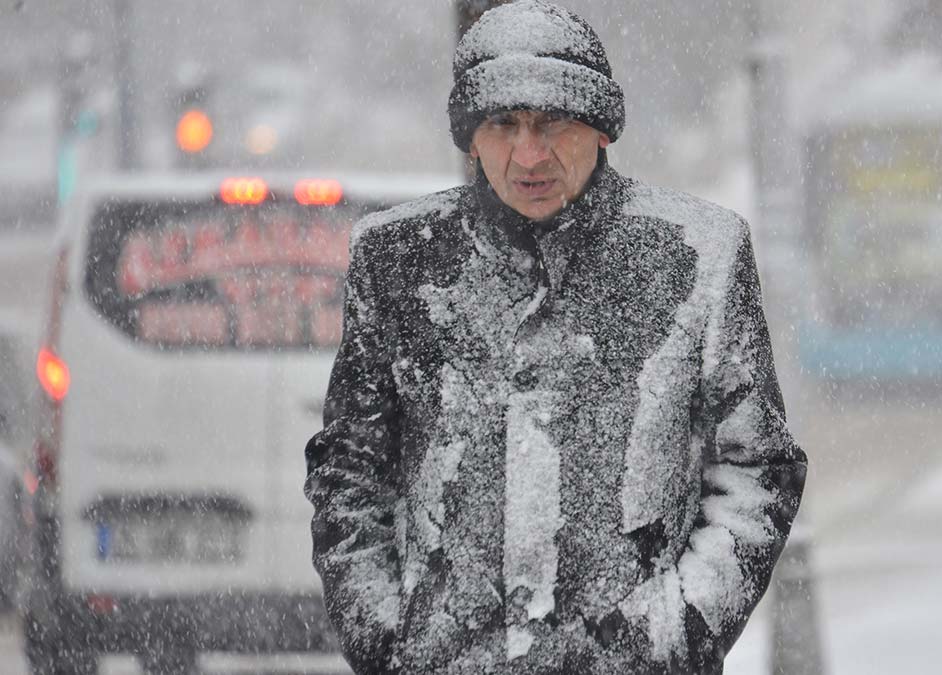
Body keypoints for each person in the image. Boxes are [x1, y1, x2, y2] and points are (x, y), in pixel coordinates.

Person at [304, 1, 807, 672]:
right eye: (502, 124)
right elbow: (350, 471)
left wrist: (675, 628)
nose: (528, 153)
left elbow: (756, 468)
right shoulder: (397, 259)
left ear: (600, 130)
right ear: (471, 137)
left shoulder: (698, 255)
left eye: (554, 123)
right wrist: (388, 636)